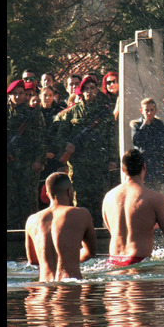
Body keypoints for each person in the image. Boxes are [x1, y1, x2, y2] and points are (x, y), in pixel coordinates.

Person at [48, 75, 118, 228]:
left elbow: (112, 138)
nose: (89, 91)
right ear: (81, 91)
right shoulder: (72, 113)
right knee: (79, 201)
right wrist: (67, 145)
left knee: (100, 201)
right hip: (79, 166)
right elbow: (59, 137)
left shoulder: (105, 113)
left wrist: (113, 159)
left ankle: (99, 236)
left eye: (92, 88)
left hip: (100, 164)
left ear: (97, 90)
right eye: (86, 89)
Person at [102, 149, 164, 267]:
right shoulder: (154, 198)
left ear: (123, 169)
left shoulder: (108, 197)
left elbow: (113, 231)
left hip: (112, 262)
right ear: (144, 167)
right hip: (138, 264)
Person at [25, 172, 97, 281]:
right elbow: (90, 252)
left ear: (47, 193)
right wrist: (70, 255)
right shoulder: (81, 214)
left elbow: (33, 260)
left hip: (43, 288)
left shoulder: (32, 220)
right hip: (69, 288)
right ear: (69, 192)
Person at [7, 79, 46, 230]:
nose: (17, 96)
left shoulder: (33, 114)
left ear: (25, 95)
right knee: (10, 201)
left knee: (28, 201)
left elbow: (41, 139)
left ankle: (31, 232)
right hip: (9, 165)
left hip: (28, 164)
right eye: (14, 94)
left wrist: (39, 160)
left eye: (21, 93)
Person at [131, 98, 164, 194]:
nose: (149, 113)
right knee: (143, 192)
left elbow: (162, 143)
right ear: (142, 111)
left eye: (152, 110)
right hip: (144, 164)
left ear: (155, 111)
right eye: (147, 110)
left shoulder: (159, 124)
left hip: (156, 164)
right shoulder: (137, 125)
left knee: (156, 191)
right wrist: (145, 126)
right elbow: (136, 141)